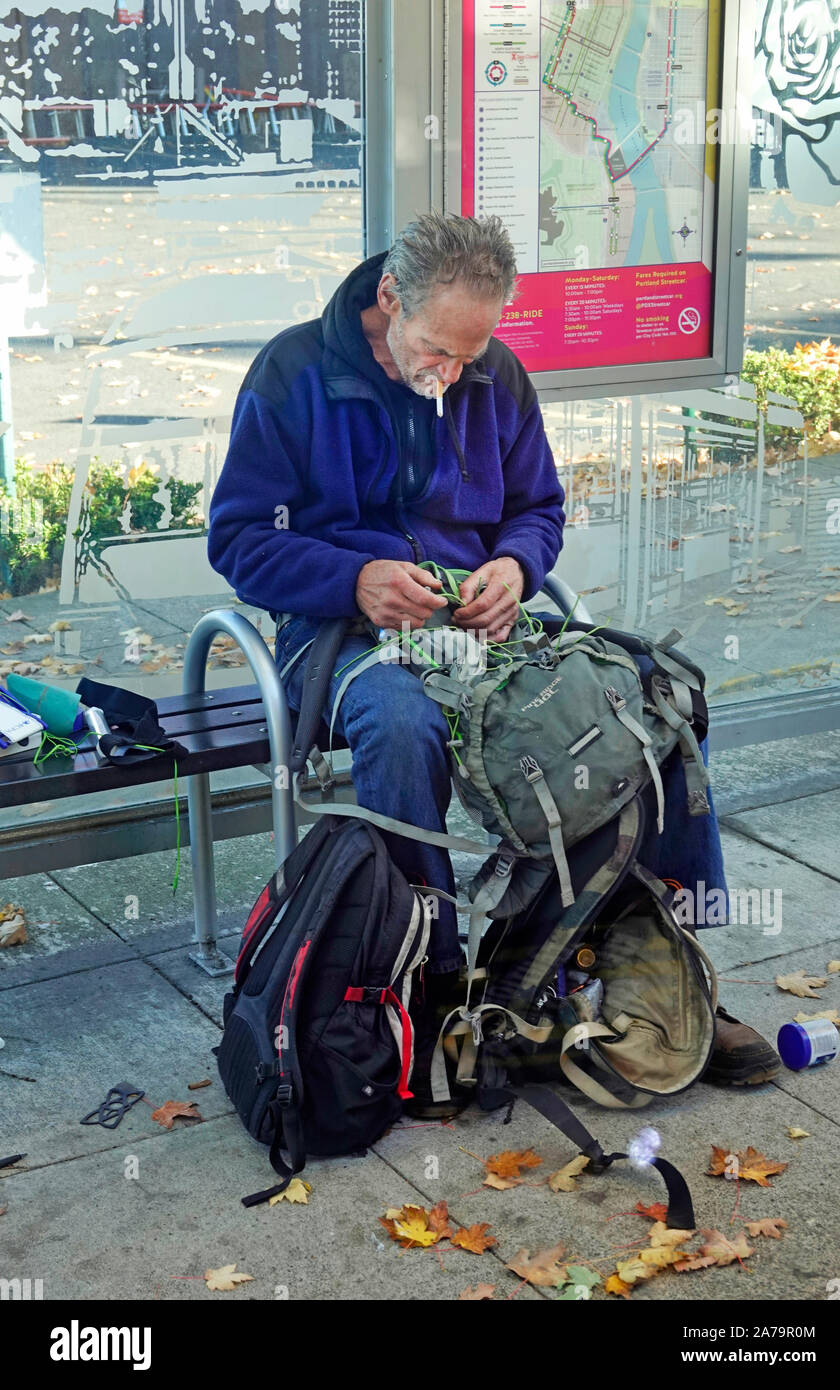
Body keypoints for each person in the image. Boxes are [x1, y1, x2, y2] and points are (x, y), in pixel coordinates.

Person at [208, 211, 780, 1114]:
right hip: (344, 632)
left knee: (650, 706)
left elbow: (539, 508)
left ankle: (670, 974)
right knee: (402, 723)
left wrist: (515, 566)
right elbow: (238, 541)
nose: (453, 376)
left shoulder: (495, 374)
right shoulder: (293, 373)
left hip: (484, 626)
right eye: (437, 351)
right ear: (390, 300)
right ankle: (432, 989)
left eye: (472, 356)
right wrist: (353, 578)